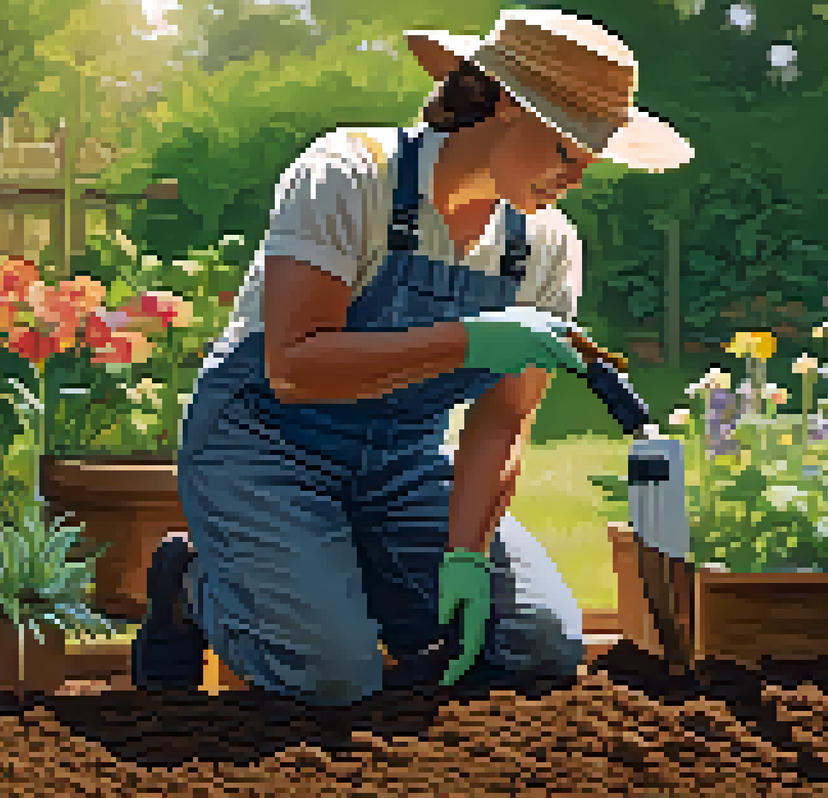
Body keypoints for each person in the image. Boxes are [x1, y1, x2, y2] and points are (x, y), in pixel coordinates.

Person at [133, 8, 694, 706]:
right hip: (264, 445)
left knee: (536, 644)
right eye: (566, 150)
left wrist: (463, 554)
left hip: (400, 463)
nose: (577, 176)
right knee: (329, 678)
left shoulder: (547, 248)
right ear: (506, 105)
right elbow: (295, 367)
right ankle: (192, 585)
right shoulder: (350, 176)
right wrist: (471, 340)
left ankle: (344, 573)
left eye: (591, 158)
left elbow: (501, 423)